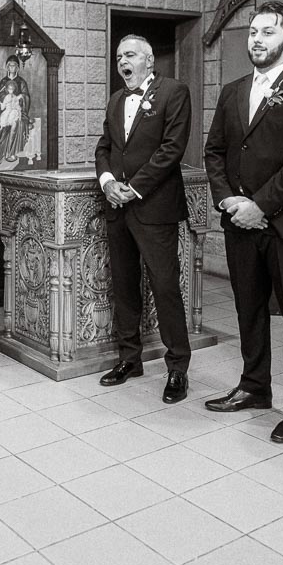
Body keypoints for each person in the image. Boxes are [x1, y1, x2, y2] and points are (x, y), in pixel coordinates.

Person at [203, 0, 283, 443]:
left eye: (267, 32)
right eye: (252, 32)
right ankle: (255, 386)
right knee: (248, 310)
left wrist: (260, 205)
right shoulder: (233, 90)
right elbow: (214, 152)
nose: (256, 39)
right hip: (239, 223)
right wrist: (228, 202)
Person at [93, 36, 193, 404]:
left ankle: (178, 368)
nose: (123, 62)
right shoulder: (116, 99)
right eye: (119, 57)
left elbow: (172, 149)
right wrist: (107, 183)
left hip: (154, 208)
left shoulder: (174, 92)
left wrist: (133, 188)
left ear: (149, 60)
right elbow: (105, 147)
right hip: (117, 209)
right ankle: (129, 359)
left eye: (130, 55)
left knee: (165, 287)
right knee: (124, 285)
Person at [0, 55, 32, 165]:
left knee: (15, 123)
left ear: (18, 68)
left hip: (18, 111)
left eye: (14, 66)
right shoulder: (3, 82)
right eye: (10, 66)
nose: (12, 68)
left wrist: (20, 98)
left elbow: (26, 97)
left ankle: (10, 153)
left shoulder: (21, 82)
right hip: (4, 111)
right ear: (7, 67)